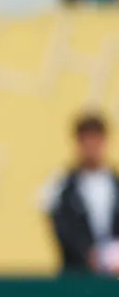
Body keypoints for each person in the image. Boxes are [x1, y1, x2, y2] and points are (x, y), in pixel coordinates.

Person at [44, 113, 119, 274]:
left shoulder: (115, 184)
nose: (91, 148)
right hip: (78, 275)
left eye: (96, 140)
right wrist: (87, 254)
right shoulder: (63, 187)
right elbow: (62, 228)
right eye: (86, 141)